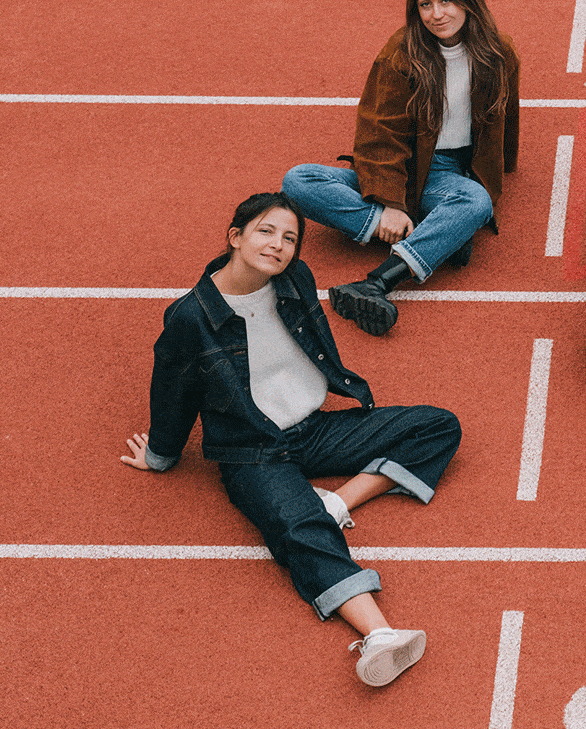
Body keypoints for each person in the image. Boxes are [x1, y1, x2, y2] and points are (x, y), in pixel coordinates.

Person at [120, 192, 462, 687]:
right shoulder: (190, 318)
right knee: (298, 527)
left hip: (314, 428)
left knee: (437, 425)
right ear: (235, 237)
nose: (278, 245)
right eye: (265, 231)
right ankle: (380, 635)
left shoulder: (295, 279)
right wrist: (160, 454)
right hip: (252, 450)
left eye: (289, 238)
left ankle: (337, 503)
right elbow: (172, 390)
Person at [283, 0, 520, 336]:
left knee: (476, 201)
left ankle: (378, 281)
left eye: (446, 0)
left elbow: (506, 113)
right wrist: (390, 204)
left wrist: (501, 165)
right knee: (298, 181)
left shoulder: (498, 52)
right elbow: (380, 131)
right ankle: (434, 235)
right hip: (400, 165)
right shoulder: (401, 53)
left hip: (446, 172)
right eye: (425, 4)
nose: (436, 14)